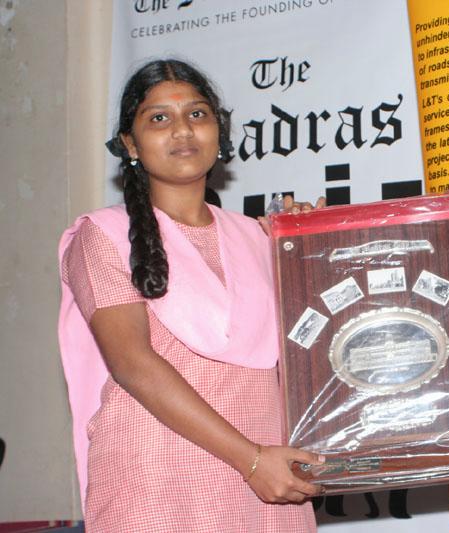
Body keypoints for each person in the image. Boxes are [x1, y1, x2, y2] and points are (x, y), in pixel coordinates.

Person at [57, 59, 323, 532]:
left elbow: (316, 350)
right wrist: (251, 460)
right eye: (159, 118)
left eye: (197, 114)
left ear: (219, 132)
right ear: (130, 144)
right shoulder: (103, 236)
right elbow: (134, 364)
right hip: (159, 484)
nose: (182, 129)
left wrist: (309, 244)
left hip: (270, 482)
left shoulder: (259, 237)